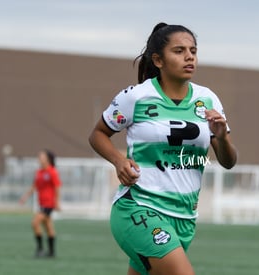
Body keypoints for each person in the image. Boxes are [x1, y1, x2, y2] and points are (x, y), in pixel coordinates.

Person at [89, 22, 237, 275]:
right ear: (158, 60)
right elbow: (98, 134)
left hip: (184, 218)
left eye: (193, 50)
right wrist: (118, 160)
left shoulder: (208, 99)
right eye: (179, 51)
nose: (189, 56)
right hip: (139, 207)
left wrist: (222, 138)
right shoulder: (135, 97)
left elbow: (228, 161)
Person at [20, 149, 61, 258]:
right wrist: (25, 197)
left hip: (49, 204)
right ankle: (51, 252)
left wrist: (57, 202)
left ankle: (40, 249)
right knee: (48, 226)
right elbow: (35, 186)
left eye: (41, 156)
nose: (39, 158)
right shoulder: (39, 172)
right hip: (41, 203)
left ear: (47, 159)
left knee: (35, 223)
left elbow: (57, 187)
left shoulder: (52, 171)